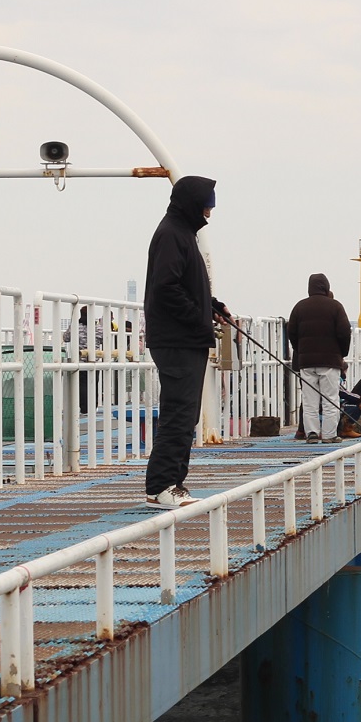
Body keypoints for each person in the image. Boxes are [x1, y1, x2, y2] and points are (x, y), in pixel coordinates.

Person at [143, 175, 227, 508]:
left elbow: (183, 285)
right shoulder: (172, 235)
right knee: (179, 413)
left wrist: (213, 306)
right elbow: (167, 288)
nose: (209, 213)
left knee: (185, 413)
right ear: (193, 204)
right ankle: (162, 485)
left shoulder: (181, 233)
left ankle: (173, 483)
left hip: (184, 337)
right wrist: (198, 315)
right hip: (177, 339)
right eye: (207, 206)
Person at [287, 272, 350, 442]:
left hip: (306, 362)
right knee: (331, 399)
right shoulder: (335, 306)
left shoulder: (299, 307)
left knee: (309, 400)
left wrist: (300, 350)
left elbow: (291, 332)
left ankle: (312, 433)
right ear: (326, 287)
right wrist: (342, 353)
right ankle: (330, 434)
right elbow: (344, 332)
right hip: (330, 361)